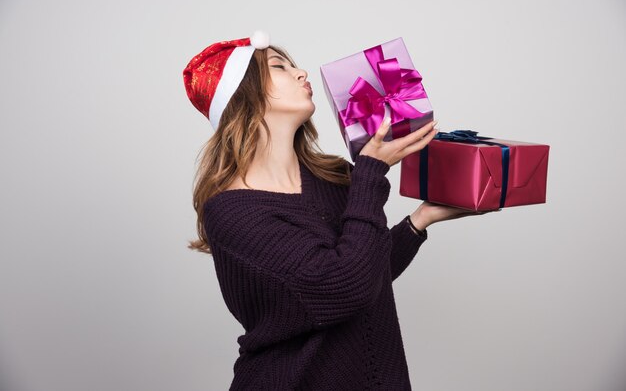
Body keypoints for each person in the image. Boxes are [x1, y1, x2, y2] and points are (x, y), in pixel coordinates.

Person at [183, 31, 494, 390]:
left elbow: (365, 271)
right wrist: (371, 171)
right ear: (243, 94)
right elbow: (342, 288)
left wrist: (419, 221)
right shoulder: (233, 212)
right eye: (279, 66)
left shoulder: (333, 176)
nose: (301, 73)